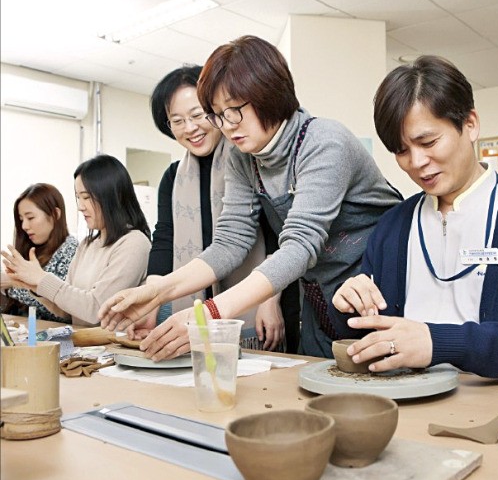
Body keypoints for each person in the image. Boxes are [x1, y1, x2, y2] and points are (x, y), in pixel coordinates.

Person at [98, 35, 403, 360]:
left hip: (377, 287)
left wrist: (207, 315)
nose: (226, 127)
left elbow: (300, 245)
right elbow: (230, 242)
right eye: (217, 114)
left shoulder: (324, 142)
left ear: (269, 95)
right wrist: (155, 292)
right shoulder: (244, 156)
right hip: (320, 299)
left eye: (234, 111)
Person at [329, 55, 498, 379]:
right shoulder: (392, 228)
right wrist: (349, 309)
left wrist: (438, 343)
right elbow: (372, 339)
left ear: (470, 125)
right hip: (405, 405)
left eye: (428, 141)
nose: (417, 162)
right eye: (401, 151)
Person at [141, 65, 300, 352]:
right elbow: (164, 240)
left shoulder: (250, 161)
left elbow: (281, 236)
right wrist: (151, 300)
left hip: (266, 296)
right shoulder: (173, 177)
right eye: (176, 121)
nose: (190, 128)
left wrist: (269, 300)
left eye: (197, 115)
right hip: (199, 304)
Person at [2, 154, 152, 327]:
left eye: (86, 197)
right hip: (85, 346)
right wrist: (36, 287)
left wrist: (42, 278)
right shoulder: (87, 245)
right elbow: (67, 312)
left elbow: (97, 309)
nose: (80, 206)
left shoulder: (134, 243)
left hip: (112, 348)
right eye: (78, 198)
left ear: (111, 195)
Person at [1, 183, 78, 322]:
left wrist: (11, 284)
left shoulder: (72, 250)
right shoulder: (30, 248)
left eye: (30, 218)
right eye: (21, 220)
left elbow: (59, 306)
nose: (24, 226)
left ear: (55, 214)